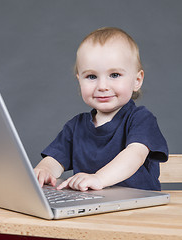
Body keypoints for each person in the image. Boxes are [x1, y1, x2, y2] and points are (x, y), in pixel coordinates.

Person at [34, 27, 168, 192]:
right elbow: (55, 159)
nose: (102, 86)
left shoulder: (140, 119)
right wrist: (44, 170)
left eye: (114, 75)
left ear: (137, 80)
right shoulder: (75, 126)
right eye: (91, 77)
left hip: (136, 206)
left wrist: (99, 178)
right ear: (79, 80)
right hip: (91, 207)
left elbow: (135, 155)